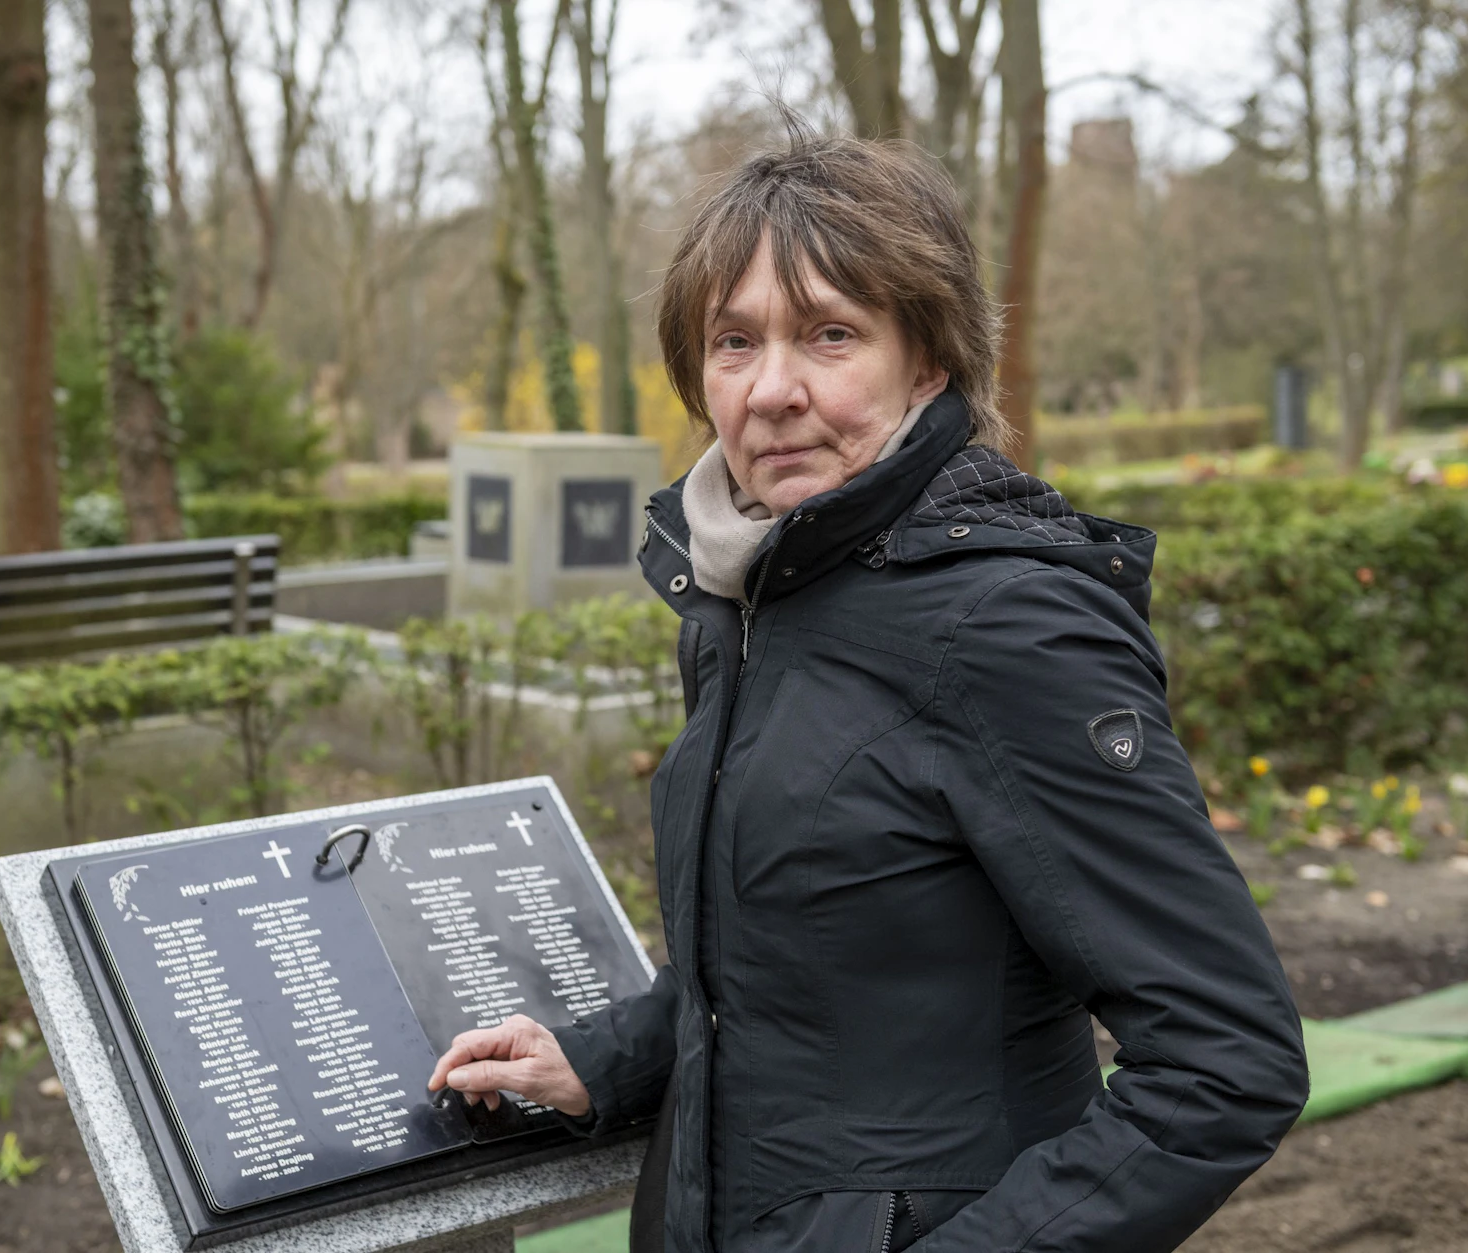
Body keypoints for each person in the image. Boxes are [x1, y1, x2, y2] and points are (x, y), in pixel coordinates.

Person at [428, 125, 1308, 1253]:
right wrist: (600, 1061)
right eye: (733, 341)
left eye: (830, 334)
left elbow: (1225, 1057)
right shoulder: (747, 598)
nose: (772, 389)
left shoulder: (1005, 624)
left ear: (927, 361)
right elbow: (780, 958)